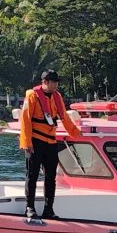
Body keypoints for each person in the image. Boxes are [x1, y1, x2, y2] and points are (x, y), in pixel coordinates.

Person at [19, 68, 83, 220]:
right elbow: (25, 120)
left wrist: (75, 133)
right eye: (53, 82)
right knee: (32, 176)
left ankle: (49, 209)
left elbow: (64, 117)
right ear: (45, 82)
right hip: (35, 141)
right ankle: (30, 207)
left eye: (56, 83)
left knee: (51, 177)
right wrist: (27, 143)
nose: (56, 86)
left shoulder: (57, 96)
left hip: (51, 141)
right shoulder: (32, 95)